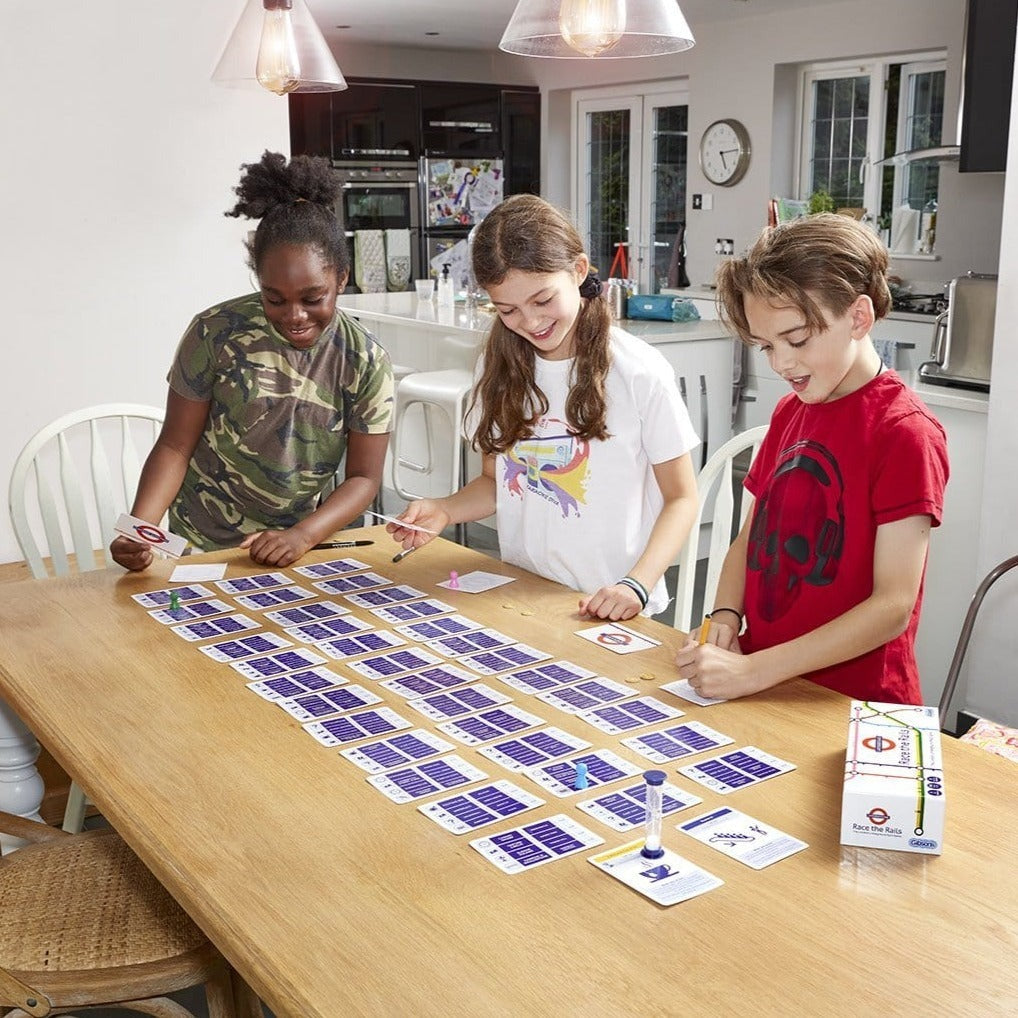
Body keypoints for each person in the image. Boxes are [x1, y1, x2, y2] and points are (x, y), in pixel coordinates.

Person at [675, 213, 949, 704]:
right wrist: (724, 617)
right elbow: (749, 537)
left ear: (858, 318)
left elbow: (892, 606)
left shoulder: (904, 433)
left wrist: (755, 671)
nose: (781, 363)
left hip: (854, 703)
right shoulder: (789, 412)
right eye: (766, 346)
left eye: (797, 340)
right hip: (769, 680)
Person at [387, 194, 699, 620]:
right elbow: (495, 481)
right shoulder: (496, 365)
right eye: (507, 310)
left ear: (578, 270)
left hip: (615, 601)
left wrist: (637, 584)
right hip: (524, 590)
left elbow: (682, 498)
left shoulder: (638, 371)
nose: (530, 323)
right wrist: (445, 508)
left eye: (542, 300)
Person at [111, 151, 393, 571]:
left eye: (313, 298)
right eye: (274, 298)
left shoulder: (365, 360)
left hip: (295, 547)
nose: (294, 316)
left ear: (342, 277)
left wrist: (303, 535)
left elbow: (363, 478)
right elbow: (174, 444)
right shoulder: (213, 333)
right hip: (198, 544)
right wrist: (140, 529)